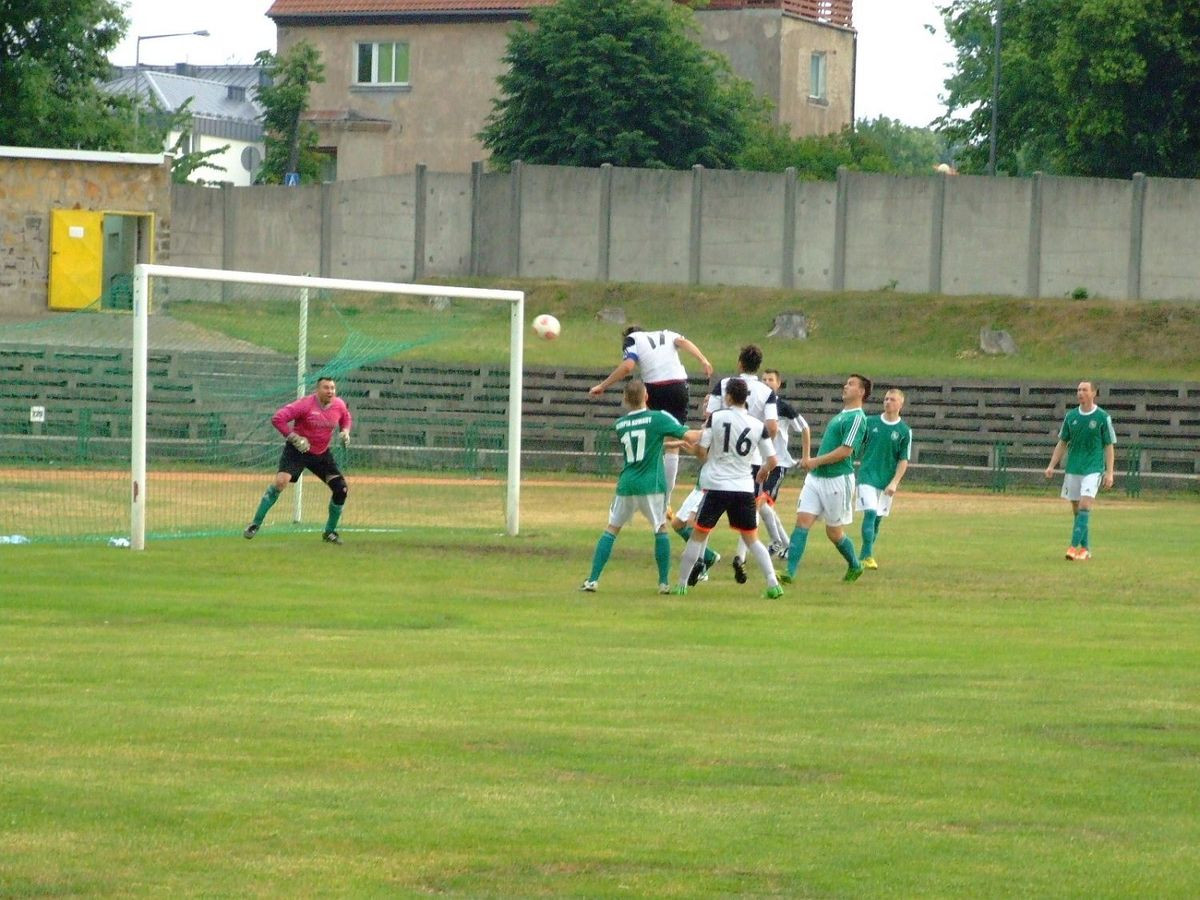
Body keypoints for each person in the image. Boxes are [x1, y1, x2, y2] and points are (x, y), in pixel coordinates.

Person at [671, 378, 783, 599]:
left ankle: (682, 584)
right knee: (752, 539)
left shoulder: (717, 418)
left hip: (717, 485)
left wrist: (700, 455)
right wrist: (762, 472)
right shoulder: (757, 425)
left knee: (698, 535)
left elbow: (702, 450)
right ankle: (772, 583)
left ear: (729, 397)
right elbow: (772, 460)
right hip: (743, 487)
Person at [580, 380, 692, 594]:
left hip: (627, 483)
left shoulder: (620, 425)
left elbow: (642, 441)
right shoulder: (658, 418)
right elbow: (684, 434)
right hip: (651, 484)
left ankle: (593, 580)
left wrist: (666, 444)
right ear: (646, 397)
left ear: (624, 399)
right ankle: (663, 583)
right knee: (660, 528)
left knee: (612, 529)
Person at [589, 325, 713, 504]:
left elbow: (628, 367)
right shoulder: (667, 333)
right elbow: (683, 342)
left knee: (649, 435)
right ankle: (665, 502)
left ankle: (643, 488)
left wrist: (603, 385)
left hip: (655, 388)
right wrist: (703, 360)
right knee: (672, 444)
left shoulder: (632, 339)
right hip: (679, 386)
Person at [781, 374, 870, 584]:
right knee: (802, 522)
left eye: (851, 384)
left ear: (862, 392)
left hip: (837, 480)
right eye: (846, 383)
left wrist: (815, 461)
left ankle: (855, 565)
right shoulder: (842, 415)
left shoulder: (857, 417)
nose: (845, 386)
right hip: (816, 479)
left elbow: (846, 451)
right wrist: (814, 465)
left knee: (834, 532)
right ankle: (789, 573)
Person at [243, 376, 352, 543]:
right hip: (298, 451)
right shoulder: (304, 404)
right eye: (326, 388)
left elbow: (346, 417)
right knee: (281, 482)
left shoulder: (339, 404)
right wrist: (294, 437)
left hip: (321, 454)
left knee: (341, 489)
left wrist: (345, 431)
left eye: (332, 388)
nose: (330, 391)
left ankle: (330, 532)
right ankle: (255, 524)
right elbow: (277, 418)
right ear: (317, 390)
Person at [706, 345, 778, 584]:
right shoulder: (766, 391)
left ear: (739, 362)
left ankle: (699, 559)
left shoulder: (724, 384)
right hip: (753, 458)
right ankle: (740, 557)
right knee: (750, 513)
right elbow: (773, 426)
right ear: (758, 366)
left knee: (706, 510)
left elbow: (710, 418)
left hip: (721, 457)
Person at [1044, 381, 1116, 561]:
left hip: (1093, 468)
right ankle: (1086, 549)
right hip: (1074, 468)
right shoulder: (1071, 417)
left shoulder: (1102, 417)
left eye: (1084, 390)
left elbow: (1109, 446)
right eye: (1078, 390)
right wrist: (1052, 465)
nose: (1080, 393)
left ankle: (1072, 547)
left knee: (1085, 505)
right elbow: (1062, 443)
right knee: (1077, 510)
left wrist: (1109, 472)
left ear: (1093, 393)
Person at [855, 387, 912, 570]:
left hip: (886, 481)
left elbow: (903, 460)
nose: (888, 402)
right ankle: (866, 555)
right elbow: (855, 445)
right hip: (867, 476)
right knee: (870, 513)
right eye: (886, 399)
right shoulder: (870, 422)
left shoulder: (904, 431)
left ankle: (867, 553)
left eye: (892, 400)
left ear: (900, 404)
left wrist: (894, 482)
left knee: (877, 519)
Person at [760, 368, 810, 558]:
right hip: (758, 463)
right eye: (763, 379)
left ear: (778, 384)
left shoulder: (783, 407)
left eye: (770, 379)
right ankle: (784, 544)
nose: (766, 382)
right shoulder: (757, 405)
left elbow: (804, 428)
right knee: (765, 507)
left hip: (777, 463)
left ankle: (776, 543)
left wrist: (805, 456)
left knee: (762, 502)